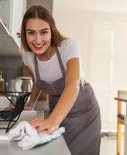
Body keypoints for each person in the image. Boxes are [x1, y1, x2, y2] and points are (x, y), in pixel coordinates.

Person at [20, 5, 101, 155]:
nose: (37, 40)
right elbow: (38, 81)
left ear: (52, 31)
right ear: (25, 34)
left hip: (83, 111)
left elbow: (73, 84)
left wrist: (52, 121)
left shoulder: (68, 47)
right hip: (58, 108)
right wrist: (30, 103)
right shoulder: (27, 55)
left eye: (43, 32)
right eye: (31, 33)